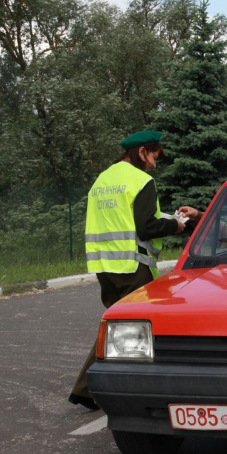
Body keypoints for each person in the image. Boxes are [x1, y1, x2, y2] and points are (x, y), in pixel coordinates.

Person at [69, 131, 186, 411]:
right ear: (142, 151)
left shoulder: (103, 179)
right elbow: (146, 227)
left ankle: (86, 391)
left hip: (104, 266)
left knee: (117, 328)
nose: (154, 165)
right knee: (143, 326)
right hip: (133, 266)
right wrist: (175, 225)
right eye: (154, 157)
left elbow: (121, 221)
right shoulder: (140, 181)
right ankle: (114, 390)